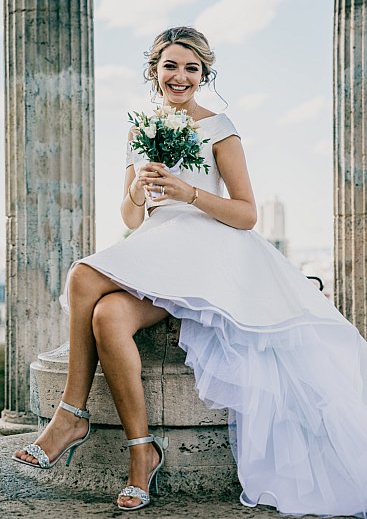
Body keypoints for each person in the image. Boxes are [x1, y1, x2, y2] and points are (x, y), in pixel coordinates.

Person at [12, 26, 367, 516]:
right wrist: (139, 184)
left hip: (207, 248)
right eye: (170, 66)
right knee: (108, 318)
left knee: (81, 276)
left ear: (204, 74)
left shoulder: (220, 126)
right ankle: (143, 453)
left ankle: (70, 416)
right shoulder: (141, 129)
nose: (180, 76)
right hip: (159, 247)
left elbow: (246, 213)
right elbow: (133, 219)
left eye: (191, 68)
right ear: (154, 71)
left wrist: (188, 193)